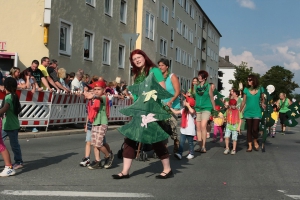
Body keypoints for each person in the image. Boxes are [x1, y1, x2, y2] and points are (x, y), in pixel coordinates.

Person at [112, 49, 172, 179]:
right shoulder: (137, 75)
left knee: (155, 141)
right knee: (129, 139)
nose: (137, 60)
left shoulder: (154, 71)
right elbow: (136, 95)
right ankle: (125, 171)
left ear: (144, 57)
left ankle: (167, 169)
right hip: (140, 111)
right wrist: (131, 98)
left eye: (139, 57)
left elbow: (162, 89)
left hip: (151, 110)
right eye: (134, 59)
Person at [80, 86, 113, 169]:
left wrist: (93, 96)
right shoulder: (92, 101)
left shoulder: (104, 97)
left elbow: (100, 98)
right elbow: (89, 113)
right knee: (94, 144)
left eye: (99, 89)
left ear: (103, 90)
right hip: (94, 123)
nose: (96, 91)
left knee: (98, 144)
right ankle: (97, 161)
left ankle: (108, 156)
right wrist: (87, 124)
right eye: (95, 90)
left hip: (102, 123)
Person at [158, 58, 180, 154]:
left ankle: (176, 140)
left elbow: (177, 91)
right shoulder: (158, 78)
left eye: (162, 65)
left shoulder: (172, 76)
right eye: (159, 65)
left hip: (172, 106)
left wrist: (171, 101)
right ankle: (164, 148)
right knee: (162, 127)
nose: (160, 67)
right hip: (162, 106)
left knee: (172, 127)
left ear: (167, 66)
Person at [1, 77, 23, 169]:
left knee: (14, 145)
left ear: (6, 86)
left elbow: (6, 107)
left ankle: (19, 161)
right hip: (7, 124)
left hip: (11, 125)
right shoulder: (14, 95)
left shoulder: (9, 97)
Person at [240, 75, 265, 152]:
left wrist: (263, 104)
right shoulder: (246, 89)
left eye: (250, 80)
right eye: (248, 80)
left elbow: (263, 99)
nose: (248, 81)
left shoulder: (260, 88)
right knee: (249, 129)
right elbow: (243, 101)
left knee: (255, 129)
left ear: (254, 80)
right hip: (248, 112)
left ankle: (255, 140)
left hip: (257, 111)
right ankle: (250, 145)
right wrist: (239, 110)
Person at [194, 70, 216, 153]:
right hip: (198, 108)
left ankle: (203, 146)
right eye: (199, 75)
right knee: (198, 128)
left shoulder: (208, 86)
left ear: (205, 77)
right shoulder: (196, 87)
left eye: (201, 76)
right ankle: (200, 146)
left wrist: (214, 109)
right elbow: (195, 98)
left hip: (206, 108)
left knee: (203, 126)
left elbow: (211, 98)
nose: (199, 77)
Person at [171, 95, 196, 160]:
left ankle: (191, 153)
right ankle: (179, 154)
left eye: (185, 101)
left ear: (189, 103)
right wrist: (170, 108)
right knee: (181, 143)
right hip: (184, 130)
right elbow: (176, 112)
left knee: (190, 143)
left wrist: (188, 105)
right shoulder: (183, 110)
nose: (184, 101)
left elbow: (192, 111)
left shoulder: (192, 111)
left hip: (190, 131)